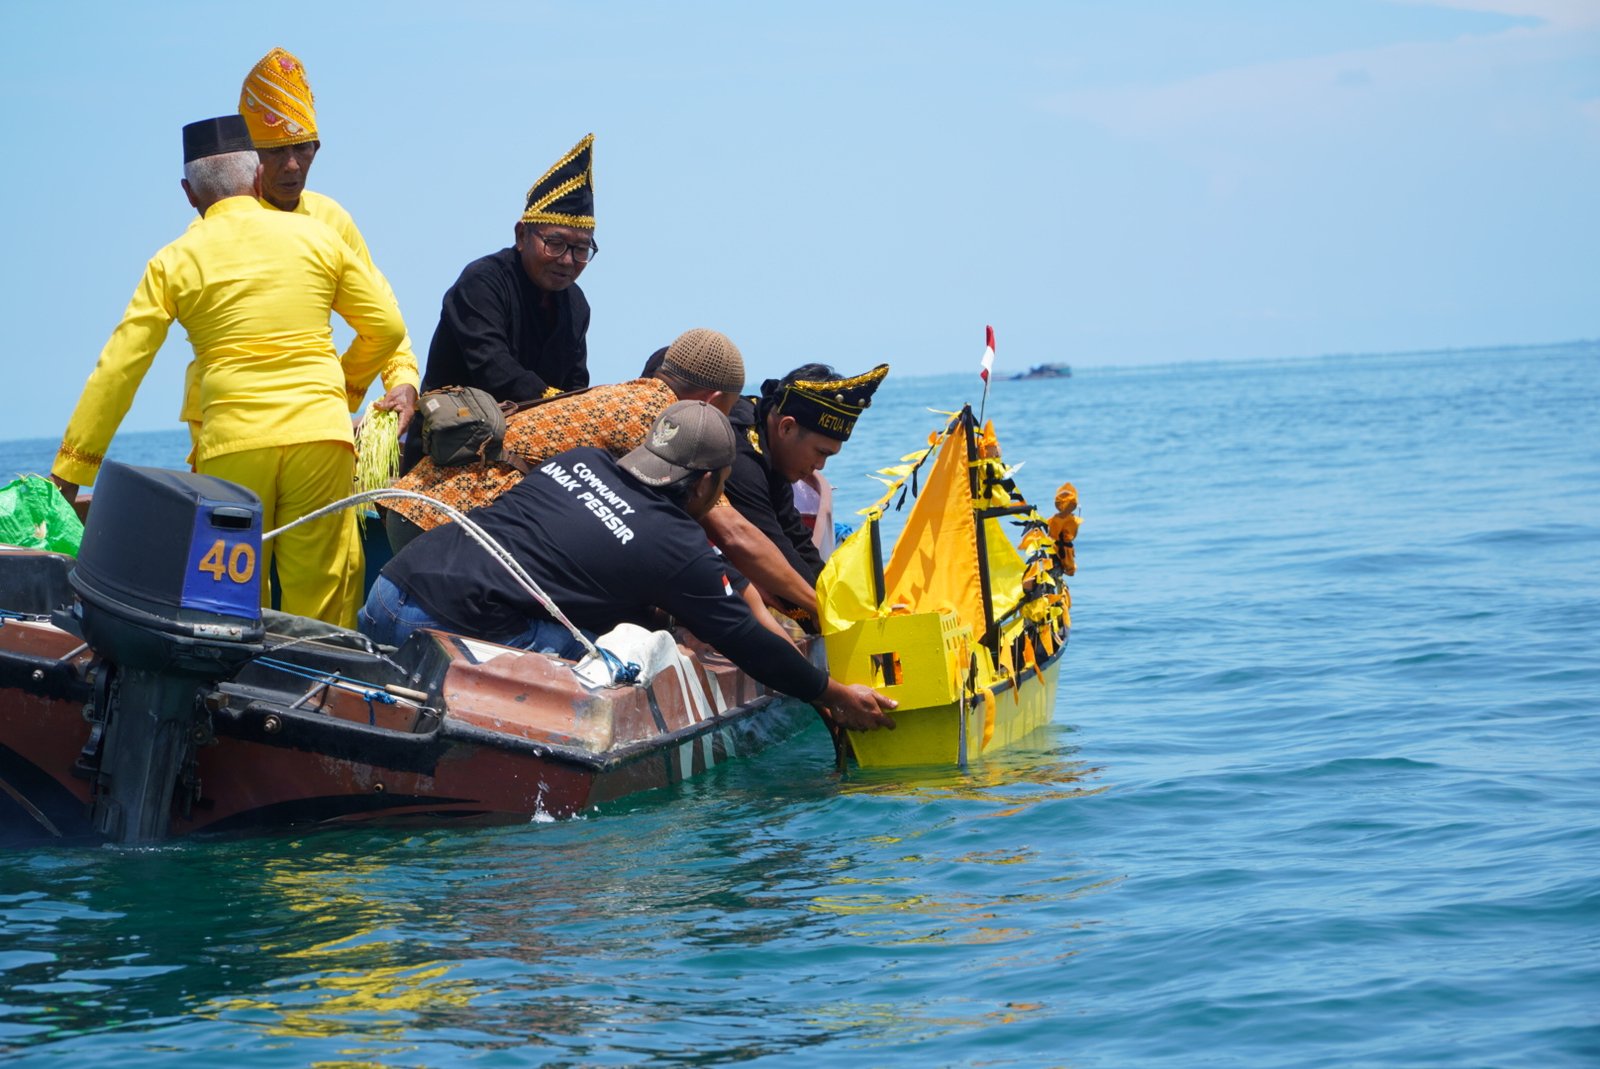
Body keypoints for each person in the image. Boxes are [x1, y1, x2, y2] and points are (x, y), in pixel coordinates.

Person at [49, 115, 406, 628]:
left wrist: (71, 470)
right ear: (258, 178)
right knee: (324, 597)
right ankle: (318, 688)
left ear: (189, 195)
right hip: (321, 439)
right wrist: (341, 391)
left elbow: (120, 370)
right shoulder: (318, 239)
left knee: (235, 598)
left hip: (233, 444)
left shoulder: (174, 260)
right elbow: (387, 328)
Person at [361, 402, 896, 733]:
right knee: (630, 650)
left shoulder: (580, 461)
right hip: (441, 632)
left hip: (388, 593)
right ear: (709, 483)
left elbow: (579, 555)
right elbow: (745, 641)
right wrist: (830, 693)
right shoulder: (677, 545)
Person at [221, 46, 420, 432]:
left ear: (317, 148)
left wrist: (402, 383)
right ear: (248, 155)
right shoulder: (224, 223)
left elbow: (383, 313)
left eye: (302, 148)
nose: (292, 165)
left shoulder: (332, 218)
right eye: (276, 151)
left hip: (314, 421)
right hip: (236, 420)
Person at [402, 134, 596, 470]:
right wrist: (559, 404)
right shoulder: (482, 282)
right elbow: (493, 367)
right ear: (522, 236)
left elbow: (577, 384)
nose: (567, 260)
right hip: (447, 460)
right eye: (555, 244)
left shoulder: (576, 304)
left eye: (581, 249)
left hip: (529, 460)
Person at [720, 362, 890, 614]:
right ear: (786, 427)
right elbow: (770, 544)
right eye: (820, 453)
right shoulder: (741, 454)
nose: (819, 466)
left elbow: (795, 537)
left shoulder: (769, 443)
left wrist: (846, 602)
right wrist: (827, 612)